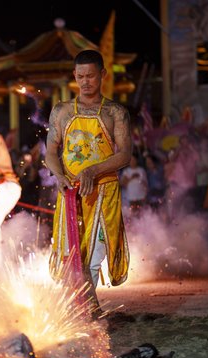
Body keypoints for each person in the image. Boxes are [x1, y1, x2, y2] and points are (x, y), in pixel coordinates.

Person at [44, 50, 131, 313]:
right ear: (74, 76)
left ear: (102, 75)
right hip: (71, 194)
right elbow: (50, 152)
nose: (85, 82)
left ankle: (82, 315)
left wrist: (93, 171)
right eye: (80, 76)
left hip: (104, 193)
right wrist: (59, 177)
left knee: (93, 259)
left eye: (91, 76)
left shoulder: (116, 112)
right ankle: (83, 314)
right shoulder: (61, 111)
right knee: (71, 259)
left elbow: (125, 154)